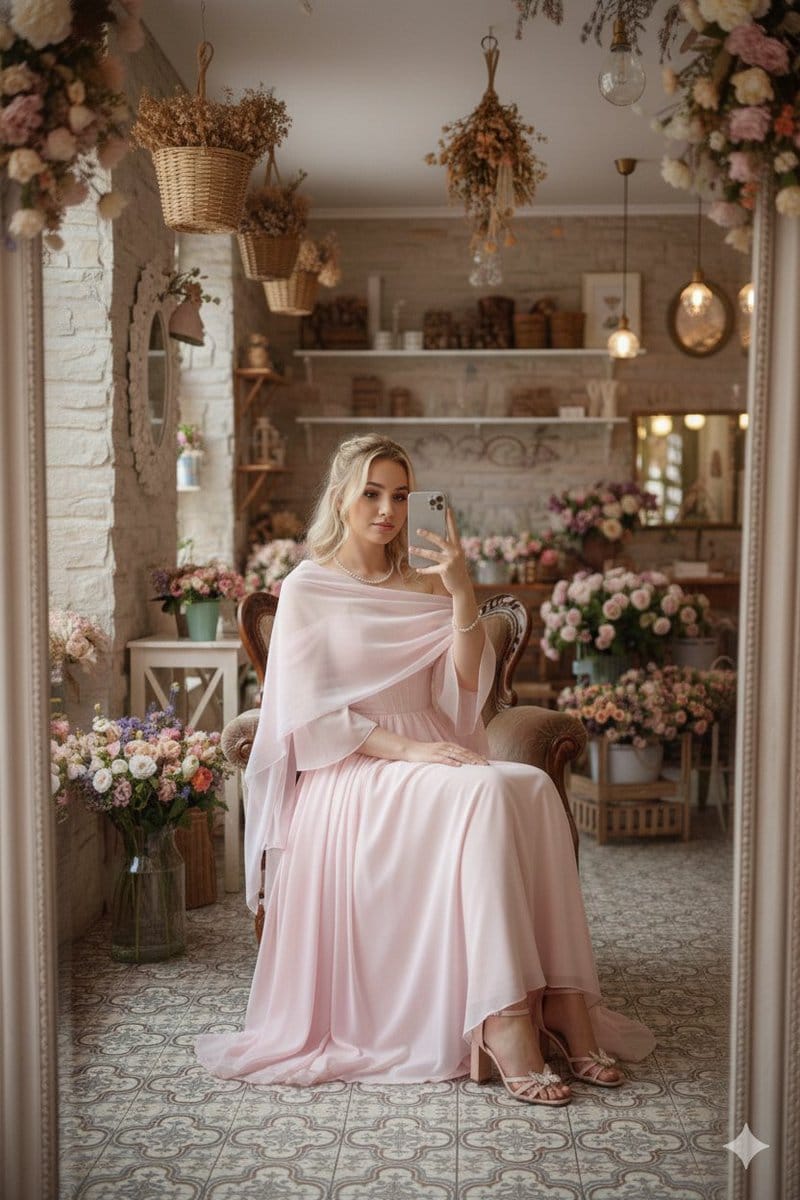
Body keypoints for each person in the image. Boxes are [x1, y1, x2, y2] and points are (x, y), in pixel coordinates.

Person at [196, 434, 654, 1104]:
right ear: (341, 499)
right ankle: (505, 1019)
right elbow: (312, 718)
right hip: (354, 769)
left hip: (434, 753)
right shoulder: (307, 588)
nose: (388, 509)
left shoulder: (423, 585)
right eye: (373, 493)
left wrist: (462, 593)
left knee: (527, 786)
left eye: (401, 495)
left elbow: (464, 689)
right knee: (480, 794)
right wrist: (408, 751)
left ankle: (562, 1000)